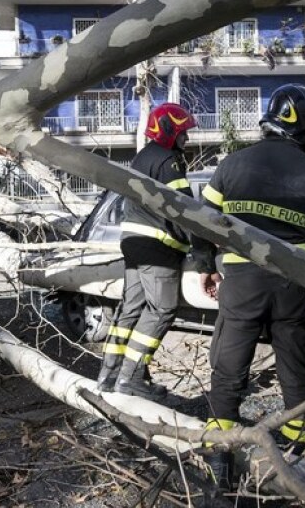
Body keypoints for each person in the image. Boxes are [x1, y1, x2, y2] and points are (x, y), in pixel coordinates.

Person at [190, 84, 305, 481]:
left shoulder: (232, 165)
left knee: (229, 368)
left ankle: (220, 458)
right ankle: (304, 456)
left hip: (240, 283)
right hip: (291, 288)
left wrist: (206, 264)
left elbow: (201, 222)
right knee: (295, 367)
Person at [96, 102, 196, 399]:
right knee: (161, 309)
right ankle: (132, 377)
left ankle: (108, 375)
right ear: (169, 131)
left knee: (130, 310)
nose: (186, 140)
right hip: (159, 247)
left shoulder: (141, 158)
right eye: (183, 133)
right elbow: (185, 209)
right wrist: (201, 246)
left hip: (133, 243)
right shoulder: (169, 161)